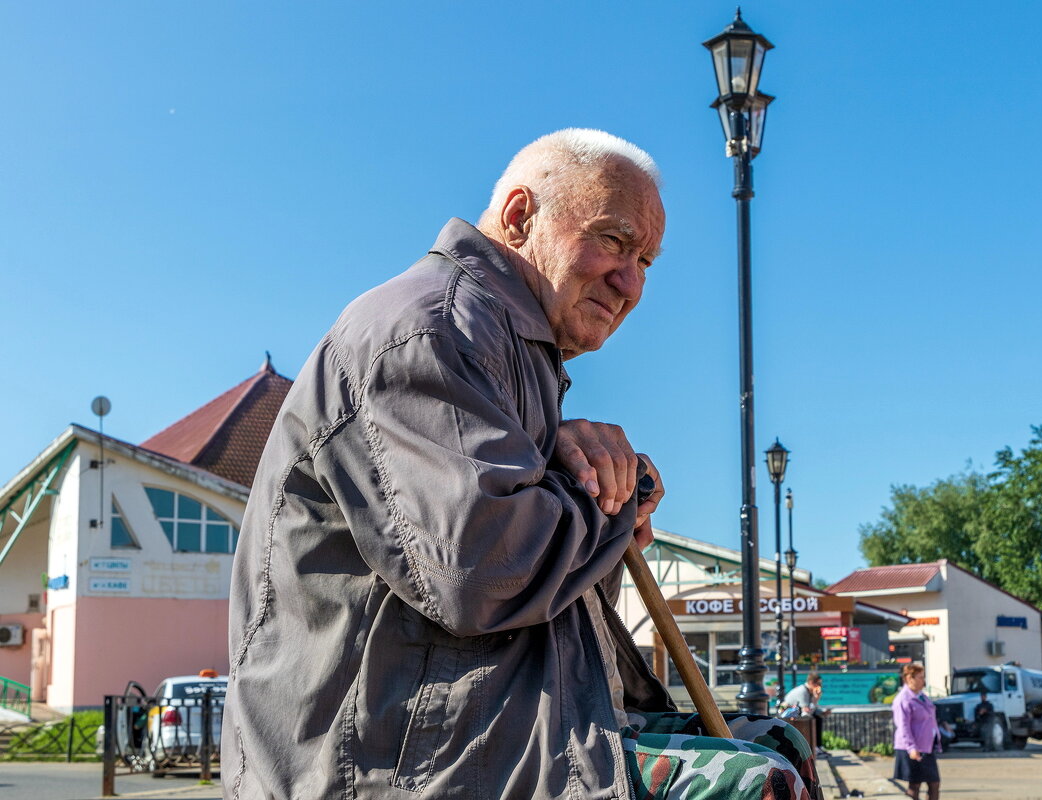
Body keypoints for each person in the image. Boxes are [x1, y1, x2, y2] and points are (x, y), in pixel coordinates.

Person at [222, 129, 818, 800]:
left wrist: (590, 487)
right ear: (518, 217)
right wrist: (611, 498)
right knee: (758, 785)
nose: (631, 284)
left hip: (484, 735)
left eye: (647, 260)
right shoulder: (430, 331)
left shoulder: (508, 346)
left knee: (781, 740)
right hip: (389, 765)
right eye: (615, 241)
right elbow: (483, 571)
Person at [892, 664, 941, 800]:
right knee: (915, 784)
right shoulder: (903, 699)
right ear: (909, 678)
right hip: (912, 748)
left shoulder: (921, 696)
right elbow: (903, 726)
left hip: (926, 746)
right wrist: (911, 748)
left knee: (934, 783)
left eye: (923, 677)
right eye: (919, 677)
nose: (923, 681)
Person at [783, 673, 826, 751]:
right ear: (811, 683)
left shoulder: (810, 691)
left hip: (797, 717)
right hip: (789, 718)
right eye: (818, 683)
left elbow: (810, 710)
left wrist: (823, 712)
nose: (820, 686)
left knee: (818, 717)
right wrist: (816, 699)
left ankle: (817, 746)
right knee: (813, 719)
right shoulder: (802, 692)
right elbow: (806, 713)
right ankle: (814, 747)